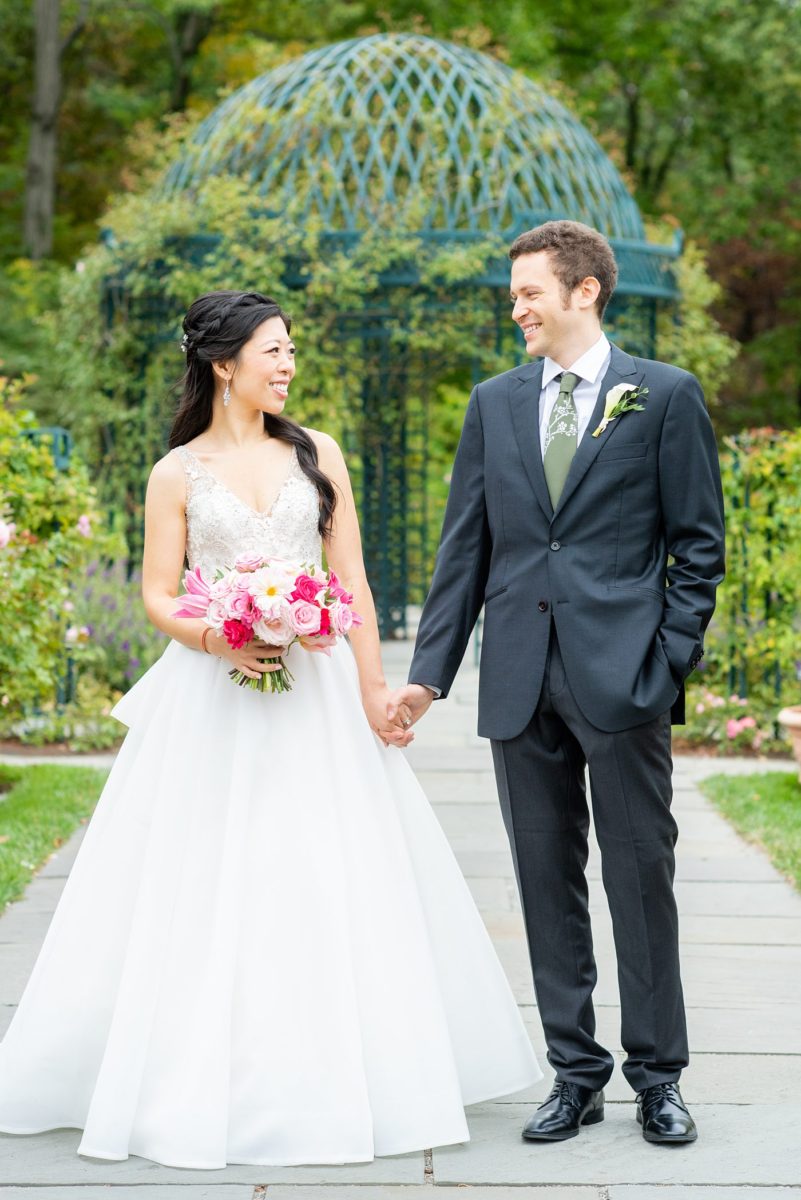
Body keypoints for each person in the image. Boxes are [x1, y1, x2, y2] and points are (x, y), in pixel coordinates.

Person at [0, 290, 540, 1169]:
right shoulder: (176, 472)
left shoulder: (318, 452)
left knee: (324, 869)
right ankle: (187, 1069)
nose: (288, 365)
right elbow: (156, 594)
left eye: (291, 352)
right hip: (211, 693)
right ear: (224, 364)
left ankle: (337, 1069)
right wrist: (221, 635)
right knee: (202, 878)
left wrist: (373, 692)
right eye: (273, 351)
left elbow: (352, 585)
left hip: (318, 695)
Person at [390, 222, 725, 1145]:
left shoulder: (661, 396)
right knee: (544, 883)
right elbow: (466, 549)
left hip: (624, 683)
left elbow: (698, 547)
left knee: (639, 877)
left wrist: (665, 663)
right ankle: (572, 1075)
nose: (516, 308)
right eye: (512, 294)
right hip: (517, 684)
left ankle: (658, 1078)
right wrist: (429, 677)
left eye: (530, 292)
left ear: (584, 292)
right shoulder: (494, 404)